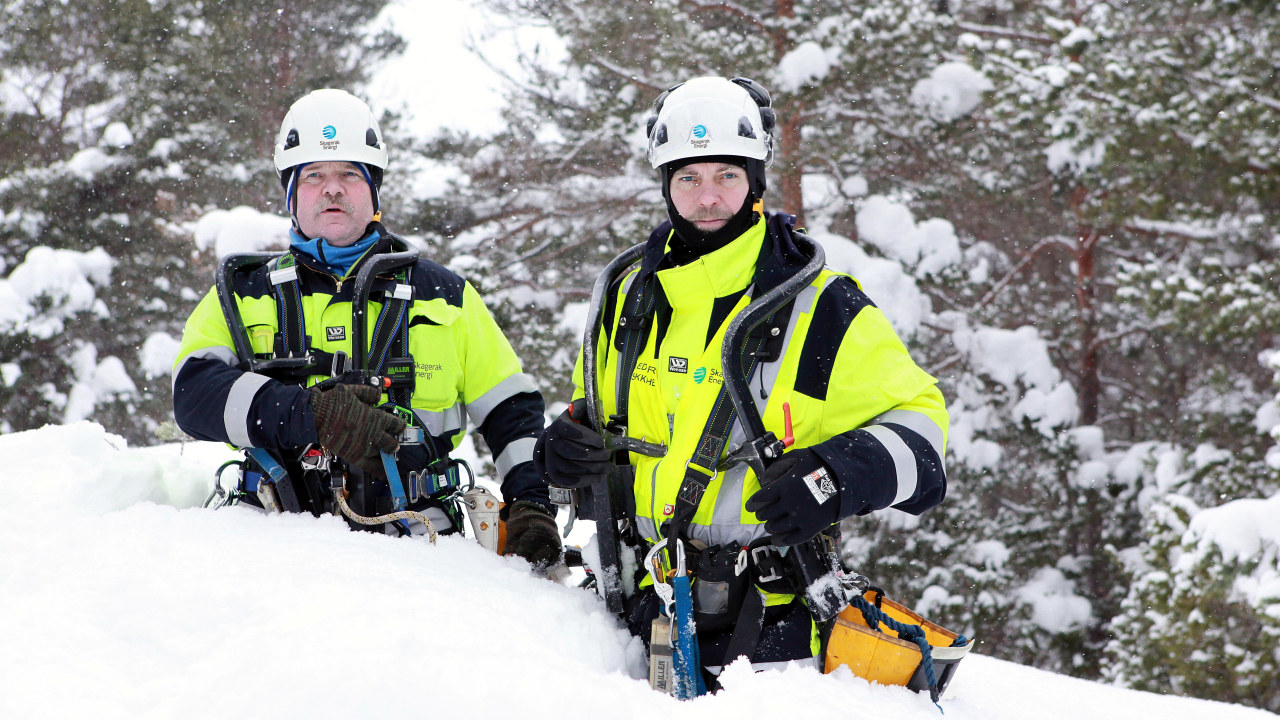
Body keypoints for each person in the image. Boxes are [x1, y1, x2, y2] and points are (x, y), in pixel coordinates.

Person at [534, 77, 948, 681]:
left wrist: (834, 476)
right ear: (666, 186)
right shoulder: (627, 298)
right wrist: (564, 445)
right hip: (629, 612)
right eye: (688, 178)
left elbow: (924, 436)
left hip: (771, 642)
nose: (708, 199)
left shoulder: (821, 306)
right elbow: (594, 409)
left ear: (755, 180)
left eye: (726, 175)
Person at [173, 88, 560, 569]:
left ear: (373, 190)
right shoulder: (244, 293)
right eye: (313, 175)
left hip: (422, 550)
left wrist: (530, 504)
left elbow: (510, 410)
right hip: (268, 549)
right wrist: (310, 414)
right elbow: (194, 396)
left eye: (349, 175)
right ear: (291, 193)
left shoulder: (444, 295)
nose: (332, 189)